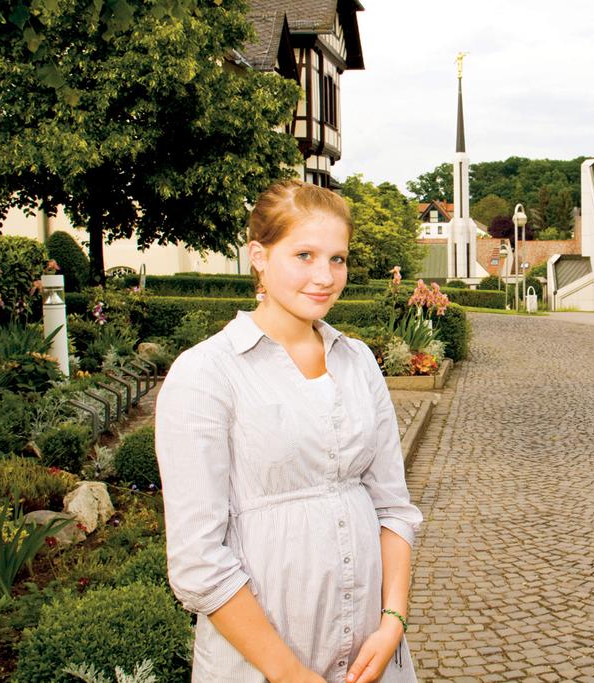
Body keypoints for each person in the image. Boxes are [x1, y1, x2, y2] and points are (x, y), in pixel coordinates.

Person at [155, 179, 422, 683]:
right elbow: (197, 561)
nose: (325, 276)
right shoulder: (207, 373)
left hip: (373, 653)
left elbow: (393, 507)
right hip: (261, 664)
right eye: (304, 254)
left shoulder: (359, 361)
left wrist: (392, 622)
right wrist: (288, 673)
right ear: (259, 255)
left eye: (337, 259)